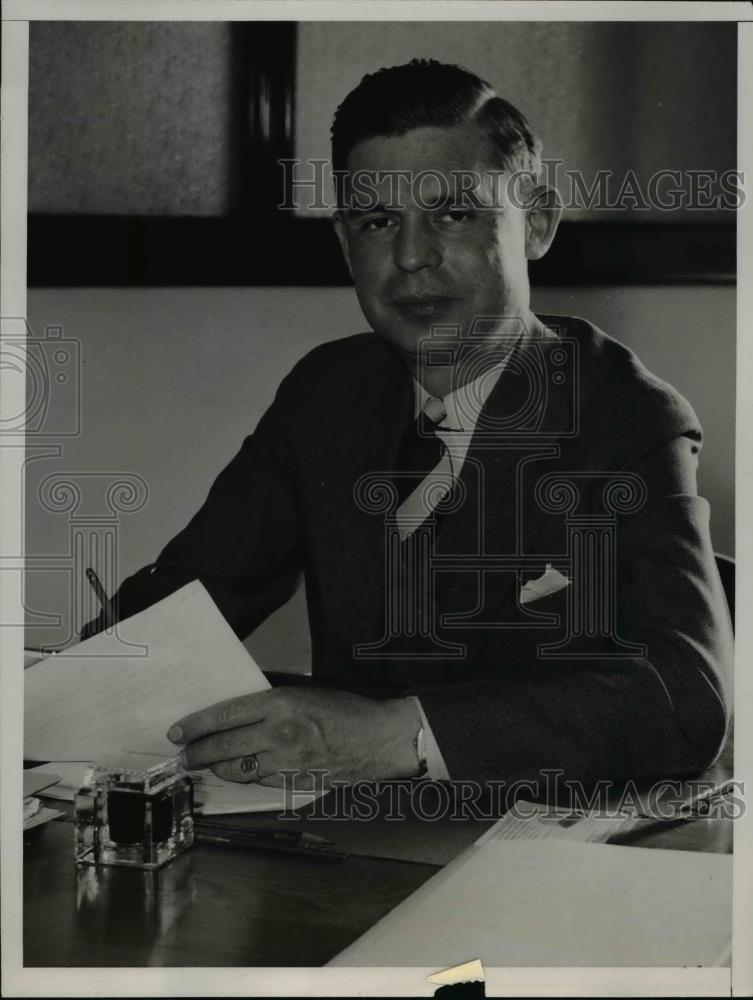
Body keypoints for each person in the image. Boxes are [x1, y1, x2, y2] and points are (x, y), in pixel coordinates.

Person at [82, 60, 732, 794]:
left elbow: (688, 701)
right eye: (377, 221)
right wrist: (67, 694)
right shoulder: (327, 394)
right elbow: (182, 604)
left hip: (532, 858)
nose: (411, 258)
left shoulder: (623, 414)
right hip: (345, 859)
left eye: (453, 214)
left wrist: (399, 735)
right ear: (343, 242)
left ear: (538, 223)